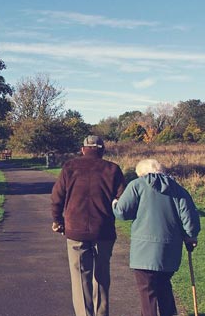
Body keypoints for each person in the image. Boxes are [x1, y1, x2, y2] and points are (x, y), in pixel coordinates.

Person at [113, 159, 201, 316]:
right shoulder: (178, 189)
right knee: (163, 285)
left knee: (147, 292)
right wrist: (190, 237)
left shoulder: (137, 185)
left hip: (143, 251)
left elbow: (122, 212)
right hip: (170, 250)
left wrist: (114, 203)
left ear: (142, 173)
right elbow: (190, 219)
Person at [51, 135, 126, 316]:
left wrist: (57, 220)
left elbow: (57, 197)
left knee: (79, 278)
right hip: (104, 230)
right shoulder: (113, 169)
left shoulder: (69, 167)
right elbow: (122, 201)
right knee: (101, 276)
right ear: (102, 150)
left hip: (75, 230)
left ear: (83, 149)